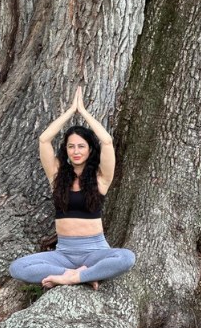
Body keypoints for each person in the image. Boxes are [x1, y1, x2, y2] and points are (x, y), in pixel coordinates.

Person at [9, 85, 136, 287]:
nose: (76, 151)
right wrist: (69, 112)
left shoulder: (101, 178)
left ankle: (75, 278)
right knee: (18, 268)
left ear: (89, 150)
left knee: (126, 258)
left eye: (81, 146)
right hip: (64, 254)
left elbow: (107, 141)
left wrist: (83, 112)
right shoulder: (57, 177)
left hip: (96, 252)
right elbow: (44, 140)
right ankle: (77, 275)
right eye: (71, 146)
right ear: (66, 150)